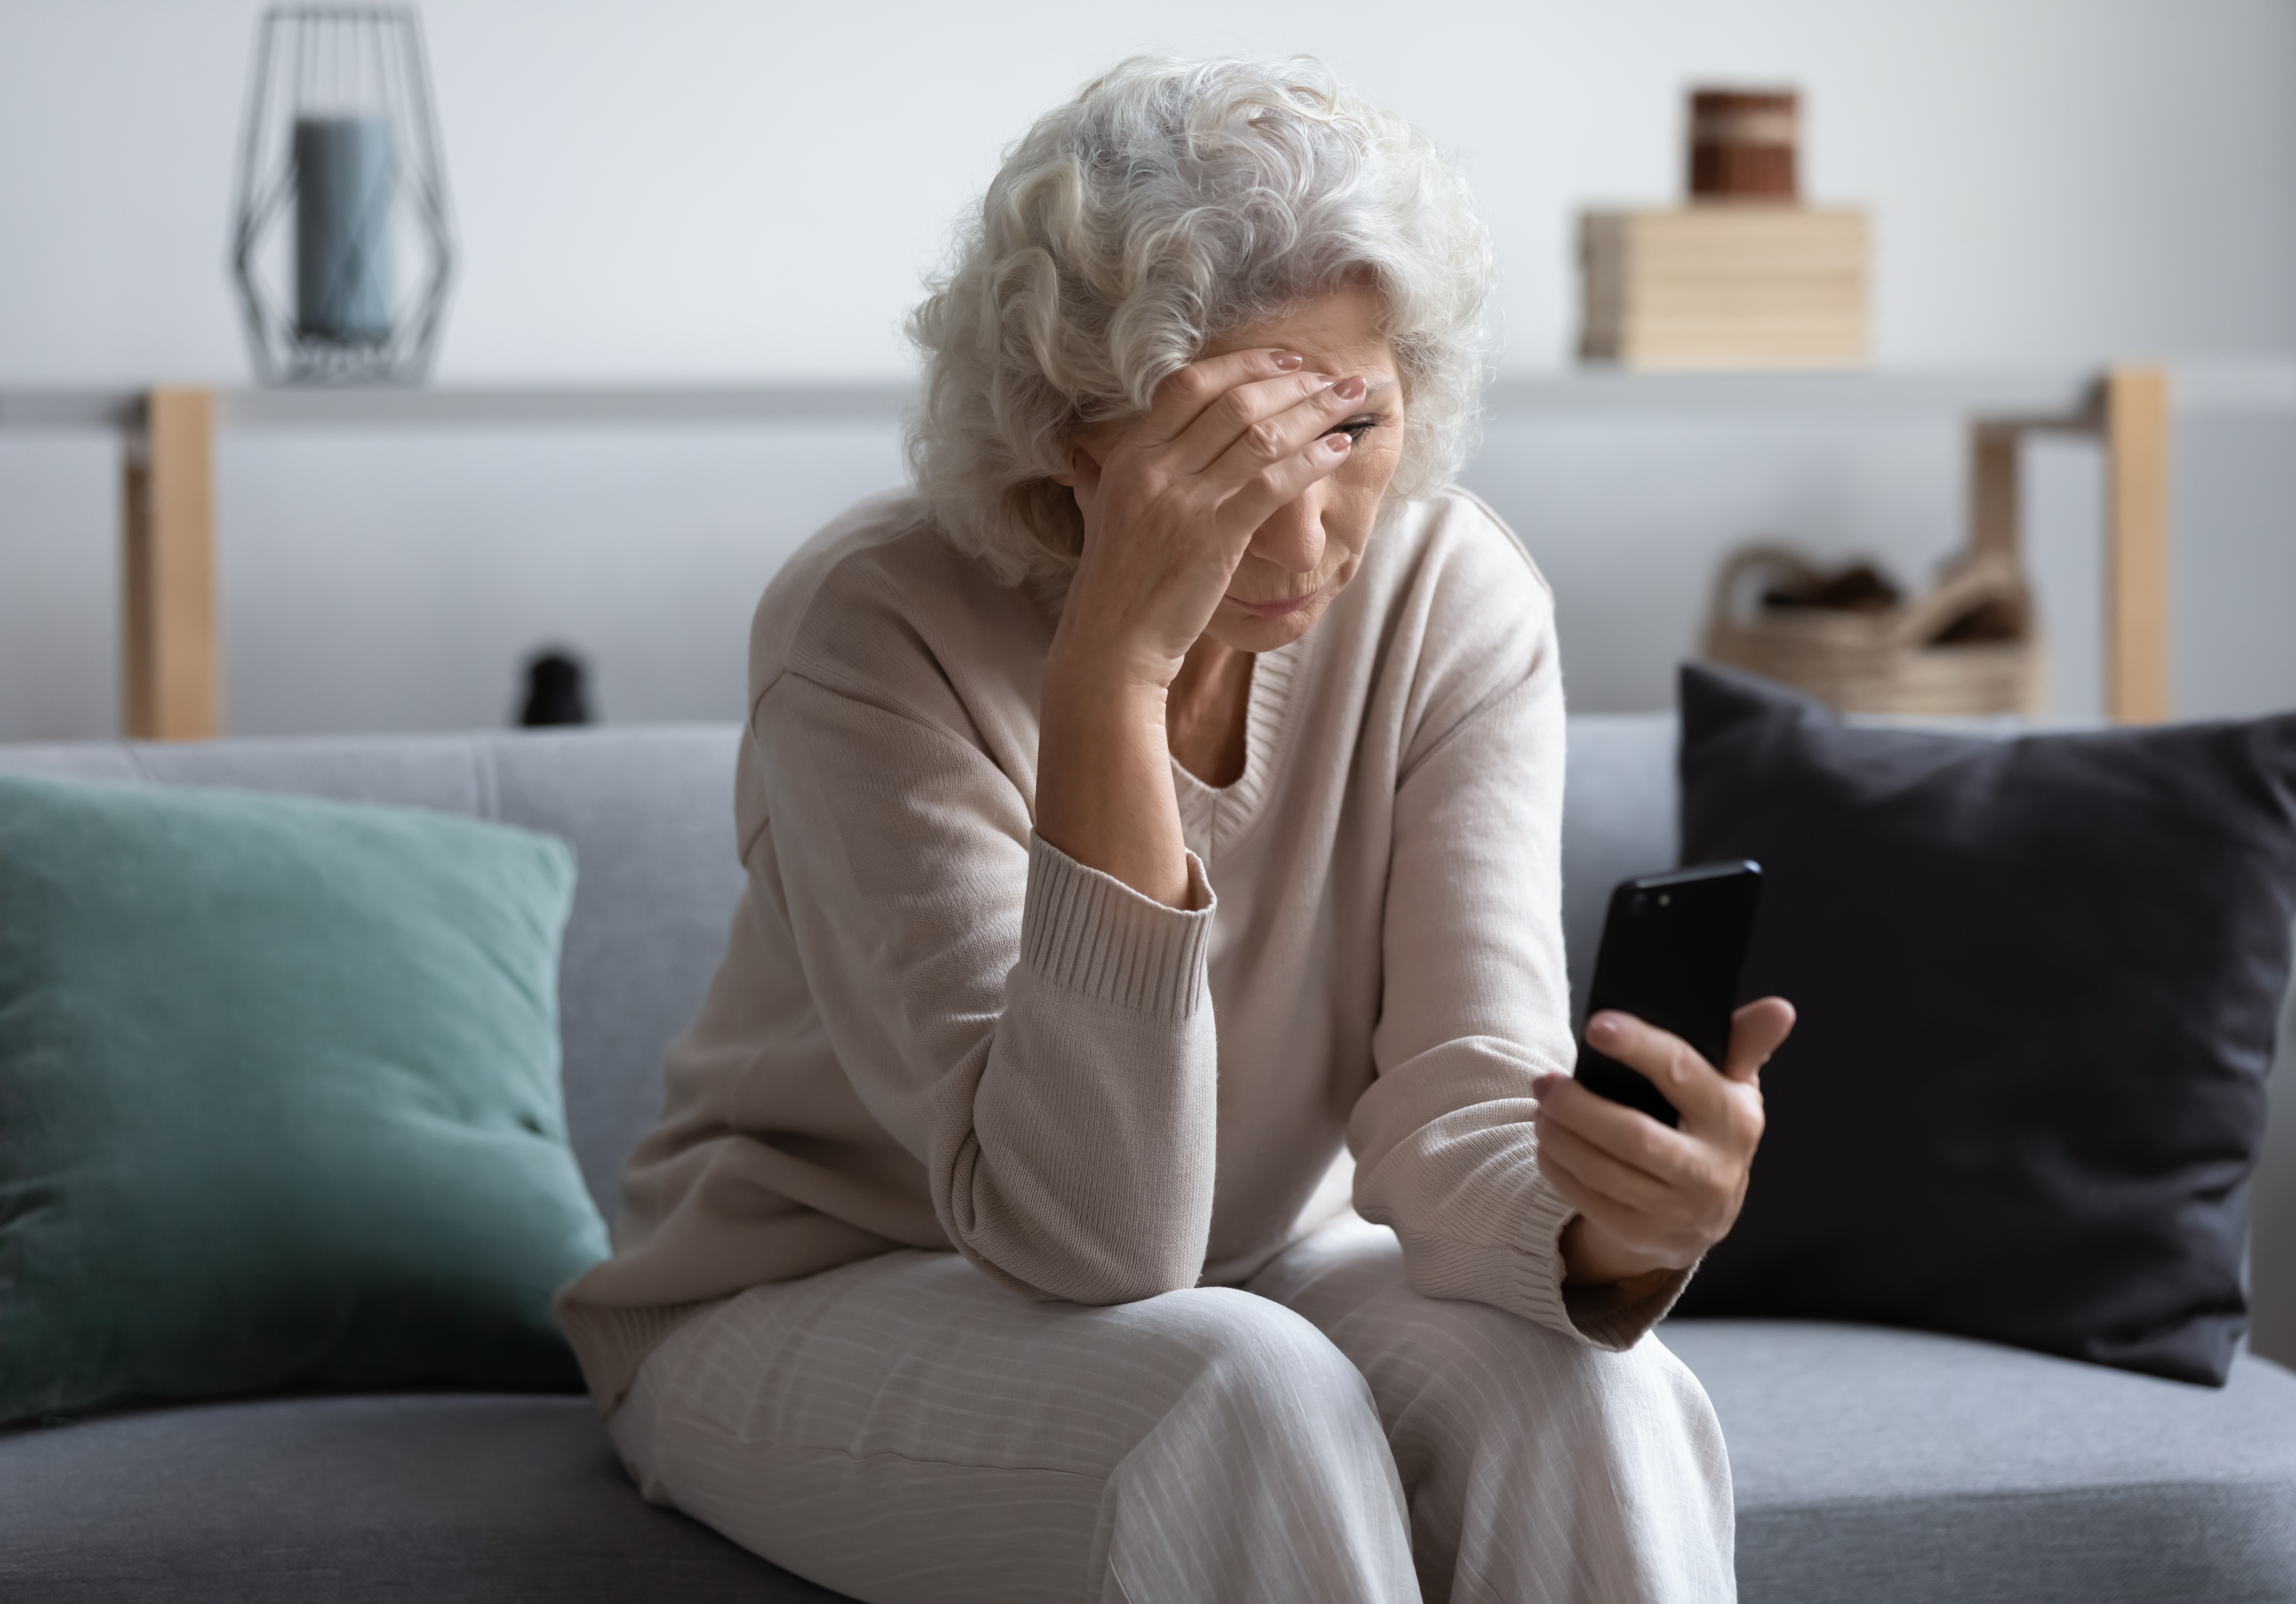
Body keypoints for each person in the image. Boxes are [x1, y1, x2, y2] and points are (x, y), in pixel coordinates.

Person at [557, 55, 1794, 1603]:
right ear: (1076, 448)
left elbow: (1460, 1109)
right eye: (1221, 459)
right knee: (1236, 1395)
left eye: (1350, 430)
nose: (1299, 534)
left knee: (1599, 1389)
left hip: (1259, 1265)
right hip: (815, 1282)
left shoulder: (1452, 596)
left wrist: (1616, 1229)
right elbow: (1094, 1234)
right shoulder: (869, 630)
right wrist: (1113, 675)